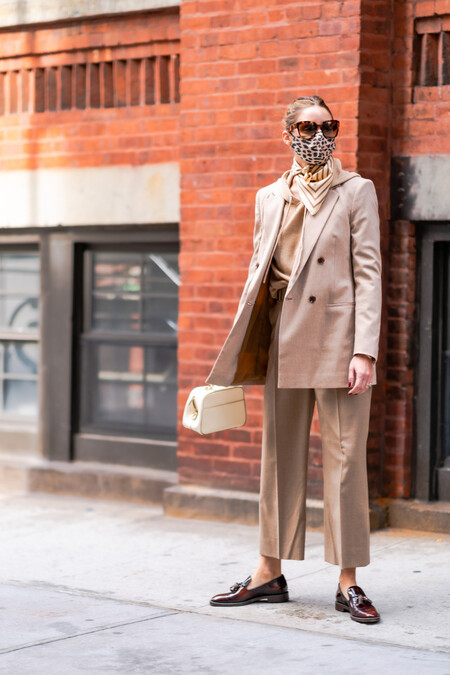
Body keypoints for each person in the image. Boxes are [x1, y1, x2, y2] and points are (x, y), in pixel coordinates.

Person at [206, 95, 382, 624]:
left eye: (329, 125)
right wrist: (241, 343)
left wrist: (365, 350)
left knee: (347, 460)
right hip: (284, 336)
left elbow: (369, 271)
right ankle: (268, 572)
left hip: (338, 339)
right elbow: (259, 270)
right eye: (308, 126)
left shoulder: (356, 191)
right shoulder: (269, 197)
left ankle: (348, 580)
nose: (319, 135)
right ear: (288, 133)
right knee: (278, 458)